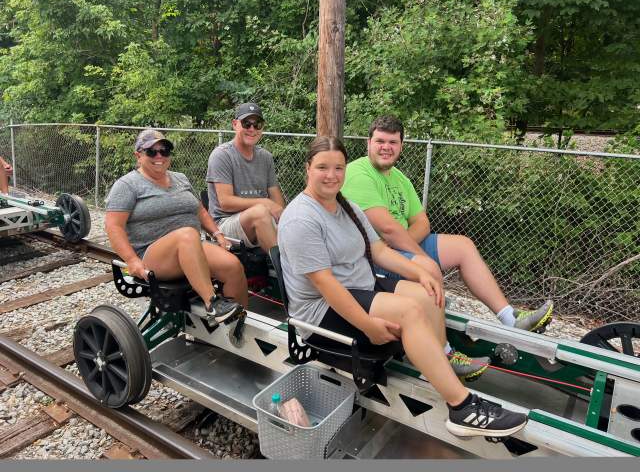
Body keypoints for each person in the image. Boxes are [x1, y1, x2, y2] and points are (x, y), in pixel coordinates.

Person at [278, 136, 527, 438]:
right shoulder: (300, 218)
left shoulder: (347, 206)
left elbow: (379, 250)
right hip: (321, 310)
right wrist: (368, 326)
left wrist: (419, 273)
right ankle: (462, 408)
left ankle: (436, 361)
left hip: (361, 287)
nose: (332, 175)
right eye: (322, 167)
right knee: (410, 311)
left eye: (338, 167)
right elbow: (326, 284)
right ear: (308, 169)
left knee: (426, 291)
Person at [342, 115, 553, 333]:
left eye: (393, 142)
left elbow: (422, 222)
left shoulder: (399, 178)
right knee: (428, 267)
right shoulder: (358, 173)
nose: (386, 147)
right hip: (375, 257)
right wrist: (422, 258)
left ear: (401, 146)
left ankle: (510, 317)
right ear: (368, 143)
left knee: (463, 246)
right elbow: (388, 229)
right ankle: (442, 348)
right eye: (380, 141)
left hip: (399, 246)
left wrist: (409, 247)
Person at [105, 129, 248, 322]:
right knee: (187, 234)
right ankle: (212, 303)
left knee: (232, 266)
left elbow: (200, 211)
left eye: (164, 151)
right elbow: (114, 226)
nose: (159, 156)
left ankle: (236, 325)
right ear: (138, 155)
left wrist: (217, 234)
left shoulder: (180, 178)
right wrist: (132, 261)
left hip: (191, 247)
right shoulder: (127, 185)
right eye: (151, 152)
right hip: (153, 255)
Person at [206, 102, 285, 252]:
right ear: (235, 124)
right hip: (224, 225)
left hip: (262, 219)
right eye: (246, 123)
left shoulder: (265, 157)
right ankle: (283, 271)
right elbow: (226, 202)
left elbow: (277, 202)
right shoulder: (222, 155)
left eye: (257, 124)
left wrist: (281, 214)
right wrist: (264, 202)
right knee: (260, 213)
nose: (252, 129)